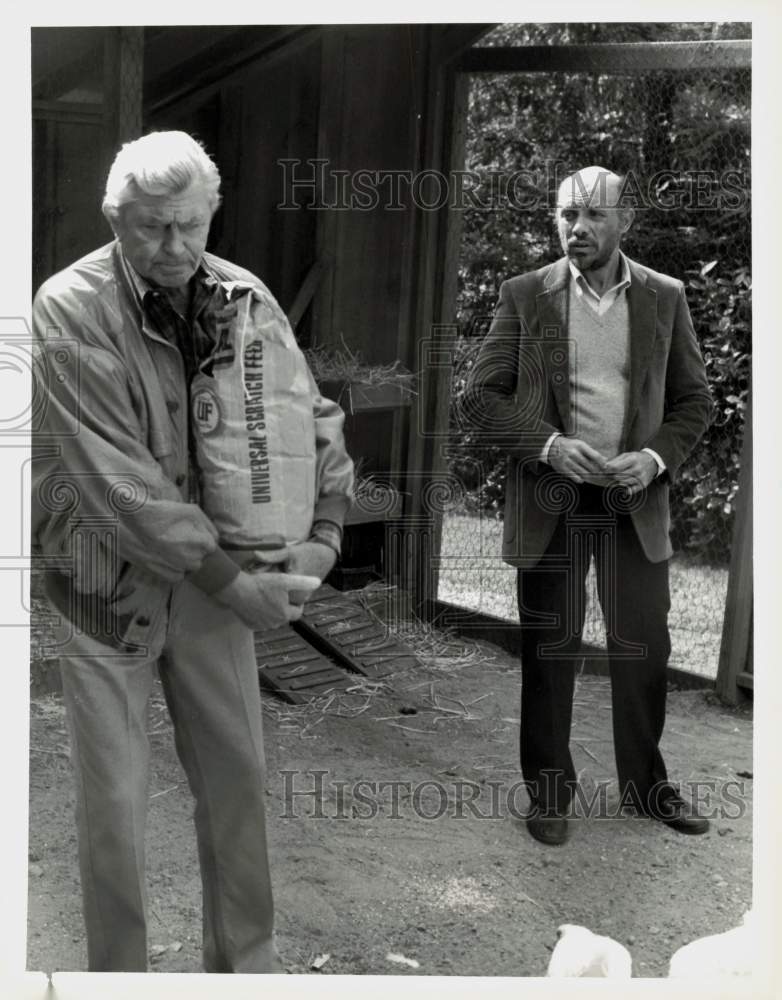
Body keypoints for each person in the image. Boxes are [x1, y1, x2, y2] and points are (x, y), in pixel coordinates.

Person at [31, 130, 354, 970]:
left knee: (236, 784)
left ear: (212, 213)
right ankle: (120, 982)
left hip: (218, 588)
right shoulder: (67, 306)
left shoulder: (246, 295)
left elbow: (308, 415)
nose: (172, 247)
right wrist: (236, 584)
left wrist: (322, 536)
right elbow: (119, 484)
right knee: (115, 807)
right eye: (149, 227)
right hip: (105, 589)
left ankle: (243, 972)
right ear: (114, 217)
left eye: (189, 224)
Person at [467, 166, 713, 846]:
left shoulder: (665, 297)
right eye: (566, 214)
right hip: (555, 499)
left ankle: (644, 786)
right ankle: (548, 791)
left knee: (645, 648)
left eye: (593, 215)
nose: (577, 228)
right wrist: (547, 445)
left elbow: (696, 401)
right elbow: (480, 399)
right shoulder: (526, 295)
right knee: (551, 647)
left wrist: (655, 456)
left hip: (635, 500)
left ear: (624, 221)